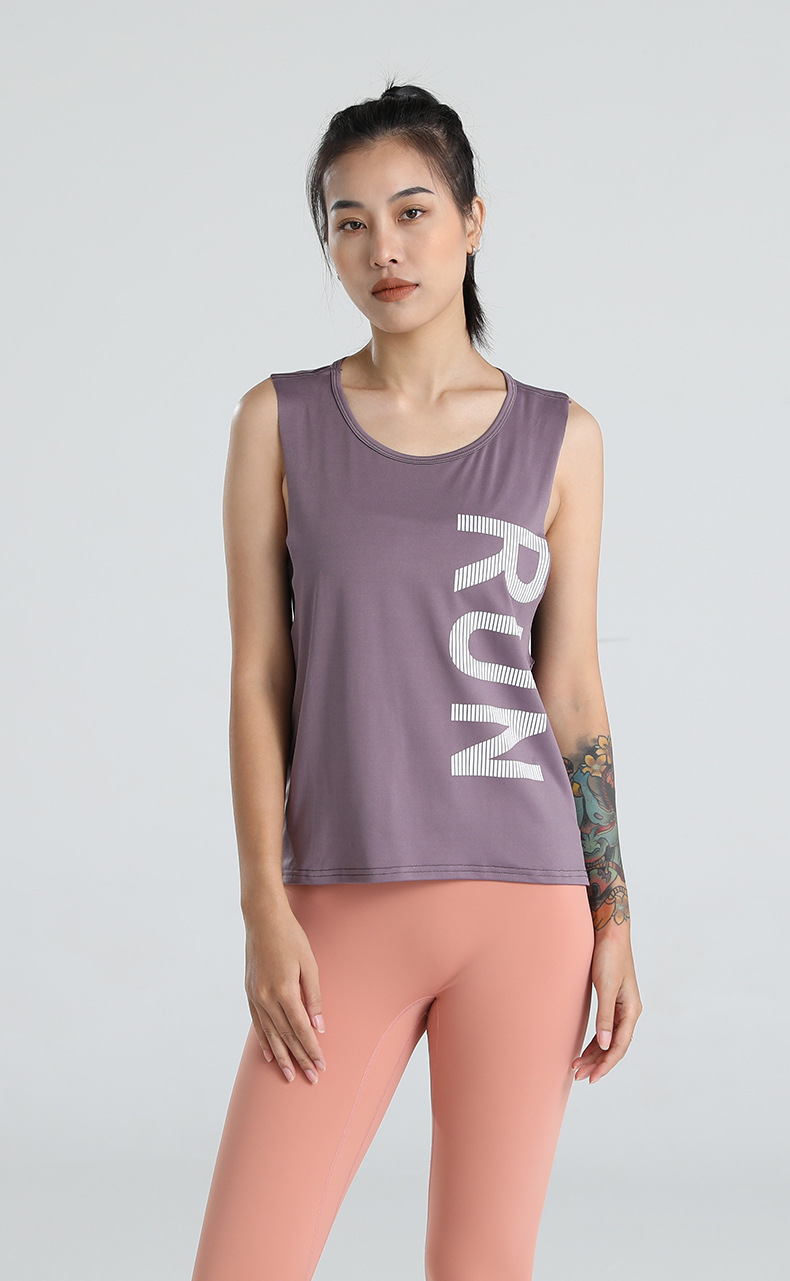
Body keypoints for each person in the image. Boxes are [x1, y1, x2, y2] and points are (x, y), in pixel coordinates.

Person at [190, 81, 642, 1281]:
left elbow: (572, 694)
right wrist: (263, 907)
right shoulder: (279, 423)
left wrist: (613, 920)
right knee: (244, 1261)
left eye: (410, 211)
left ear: (471, 221)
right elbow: (257, 677)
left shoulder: (562, 438)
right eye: (348, 223)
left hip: (527, 906)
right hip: (340, 900)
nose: (381, 248)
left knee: (481, 1265)